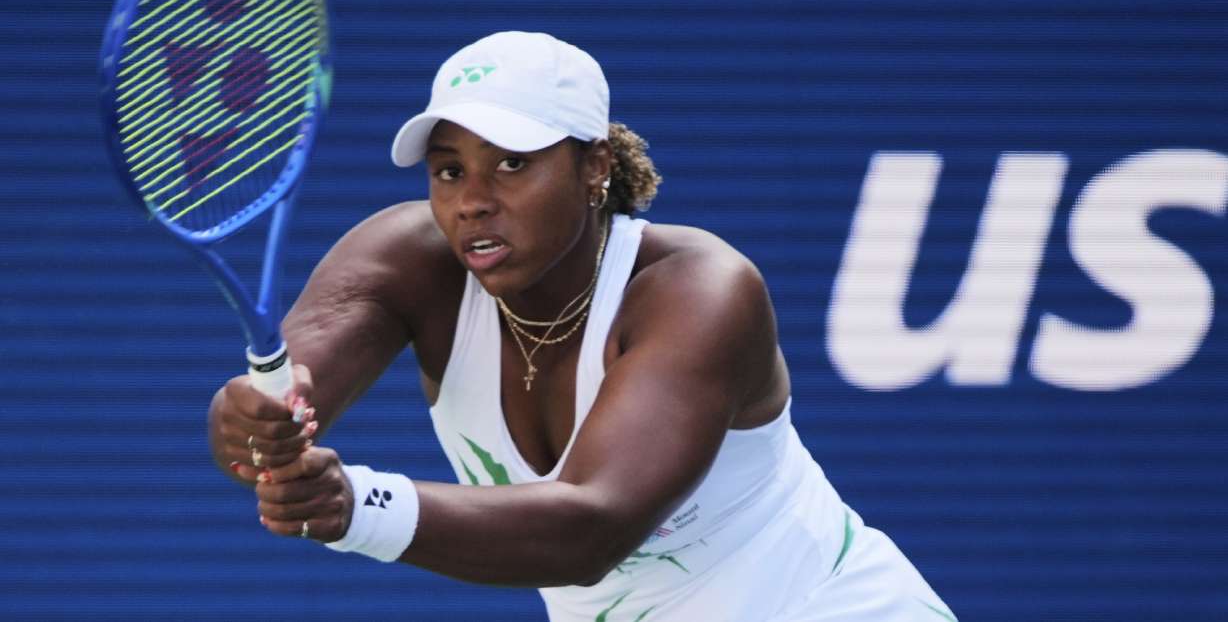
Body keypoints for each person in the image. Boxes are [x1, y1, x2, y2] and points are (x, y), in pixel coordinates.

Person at [208, 31, 955, 621]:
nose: (472, 200)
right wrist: (255, 424)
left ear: (594, 166)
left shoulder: (700, 290)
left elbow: (591, 527)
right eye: (448, 170)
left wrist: (358, 506)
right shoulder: (408, 262)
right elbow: (260, 414)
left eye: (511, 164)